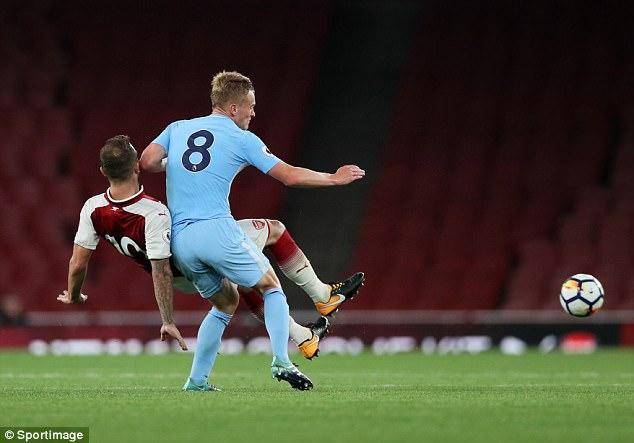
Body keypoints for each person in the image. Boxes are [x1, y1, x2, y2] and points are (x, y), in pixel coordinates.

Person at [140, 71, 365, 391]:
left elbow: (148, 160)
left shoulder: (178, 128)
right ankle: (282, 360)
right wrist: (334, 178)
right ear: (233, 108)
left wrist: (173, 164)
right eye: (251, 106)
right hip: (216, 231)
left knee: (225, 303)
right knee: (271, 287)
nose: (254, 113)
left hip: (180, 242)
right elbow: (289, 176)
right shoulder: (241, 138)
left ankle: (197, 381)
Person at [58, 135, 364, 361]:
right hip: (186, 259)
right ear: (137, 167)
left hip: (180, 273)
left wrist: (74, 295)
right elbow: (161, 268)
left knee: (240, 283)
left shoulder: (92, 208)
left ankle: (303, 337)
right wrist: (168, 319)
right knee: (274, 231)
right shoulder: (155, 212)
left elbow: (77, 264)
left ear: (102, 171)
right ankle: (323, 297)